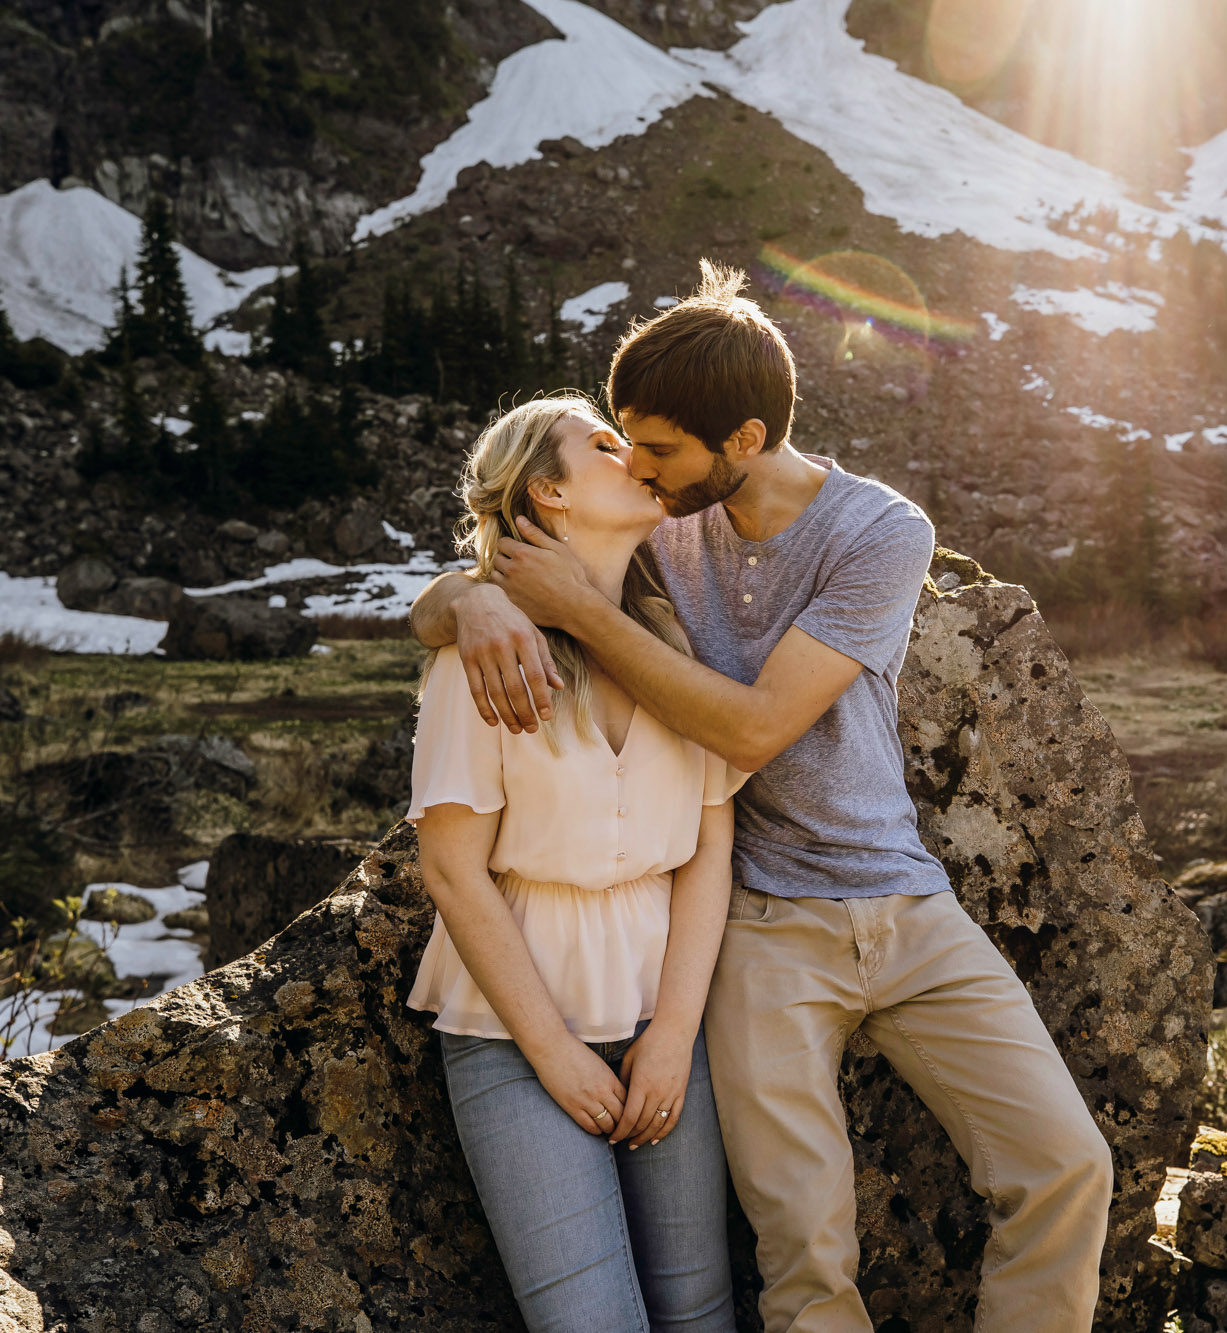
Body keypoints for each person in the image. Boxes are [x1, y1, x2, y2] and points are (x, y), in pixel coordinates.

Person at [410, 262, 1116, 1333]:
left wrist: (565, 612)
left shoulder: (879, 532)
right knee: (803, 1245)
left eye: (655, 448)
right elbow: (494, 560)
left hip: (904, 902)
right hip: (761, 925)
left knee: (1067, 1164)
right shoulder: (655, 526)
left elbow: (748, 727)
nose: (636, 466)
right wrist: (471, 603)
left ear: (739, 441)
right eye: (621, 442)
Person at [405, 394, 742, 1333]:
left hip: (665, 1023)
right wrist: (553, 1054)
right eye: (603, 444)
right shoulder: (483, 657)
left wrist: (675, 1033)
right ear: (547, 493)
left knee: (702, 1312)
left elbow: (710, 849)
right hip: (515, 1037)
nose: (631, 452)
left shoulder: (675, 644)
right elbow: (452, 872)